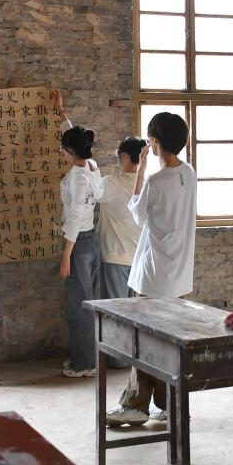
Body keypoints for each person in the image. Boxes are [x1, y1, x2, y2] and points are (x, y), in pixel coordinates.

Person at [106, 112, 196, 427]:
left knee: (143, 340)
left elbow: (138, 214)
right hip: (178, 273)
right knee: (167, 342)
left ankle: (135, 405)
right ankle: (169, 403)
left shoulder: (156, 181)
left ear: (155, 141)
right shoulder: (189, 173)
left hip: (154, 274)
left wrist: (141, 170)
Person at [53, 90, 105, 378]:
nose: (62, 152)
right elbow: (75, 138)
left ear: (70, 152)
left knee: (79, 305)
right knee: (85, 301)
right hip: (89, 242)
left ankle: (84, 364)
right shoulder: (90, 166)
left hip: (78, 244)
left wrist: (66, 256)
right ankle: (85, 358)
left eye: (63, 149)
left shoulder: (77, 179)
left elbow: (74, 219)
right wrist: (61, 112)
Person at [97, 135, 147, 368]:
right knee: (133, 312)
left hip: (115, 255)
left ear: (125, 156)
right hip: (138, 258)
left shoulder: (112, 184)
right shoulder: (146, 184)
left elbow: (88, 187)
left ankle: (117, 360)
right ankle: (131, 357)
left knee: (116, 311)